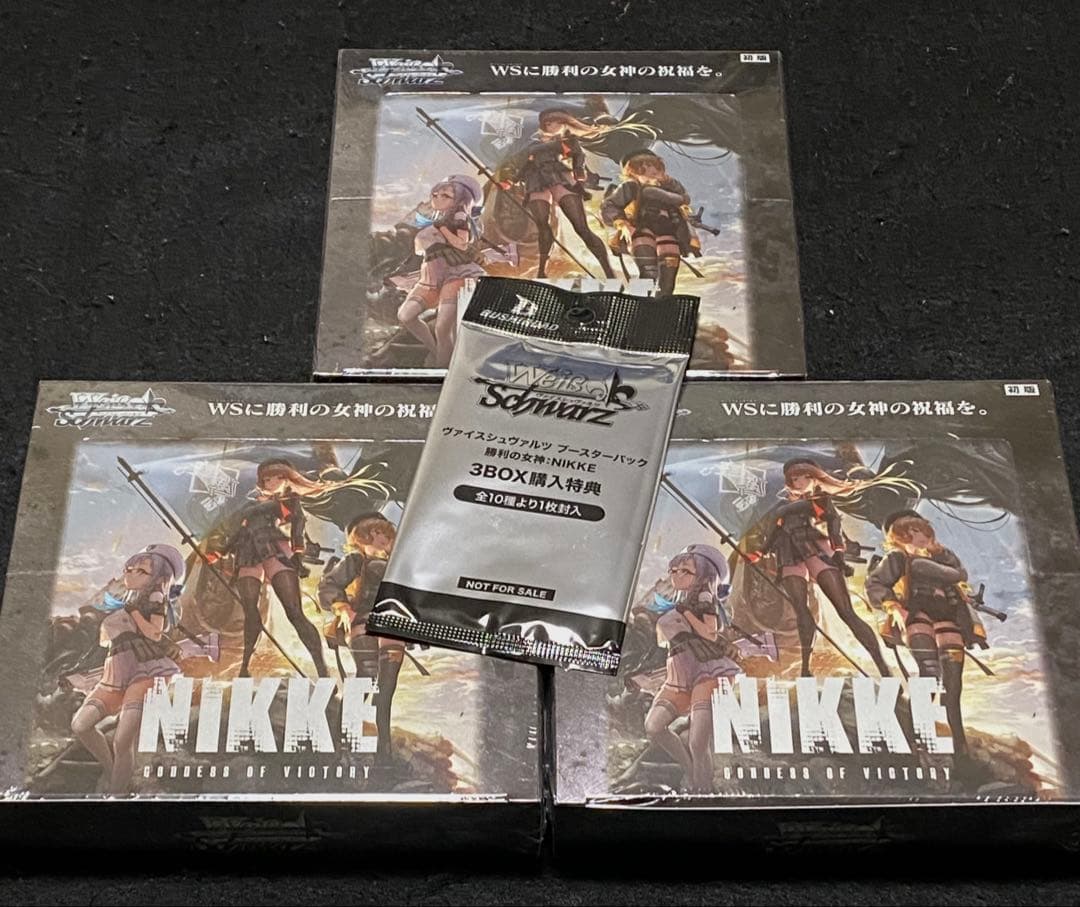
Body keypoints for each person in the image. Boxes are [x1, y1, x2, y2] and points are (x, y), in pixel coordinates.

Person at [752, 458, 905, 677]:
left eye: (805, 477)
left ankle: (883, 667)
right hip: (788, 553)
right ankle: (806, 668)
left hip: (816, 548)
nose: (800, 482)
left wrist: (840, 552)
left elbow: (834, 525)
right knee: (801, 610)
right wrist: (760, 551)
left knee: (846, 612)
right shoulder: (779, 505)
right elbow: (774, 532)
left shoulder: (820, 500)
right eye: (795, 478)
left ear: (815, 478)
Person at [865, 510, 987, 758]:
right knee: (929, 674)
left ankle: (960, 747)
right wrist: (893, 606)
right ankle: (912, 741)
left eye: (921, 530)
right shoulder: (897, 558)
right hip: (917, 614)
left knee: (953, 684)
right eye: (911, 531)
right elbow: (875, 583)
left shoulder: (943, 557)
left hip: (948, 616)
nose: (919, 535)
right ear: (899, 535)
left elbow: (960, 577)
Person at [70, 544, 185, 794]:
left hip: (146, 669)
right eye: (129, 569)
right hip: (117, 669)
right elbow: (105, 641)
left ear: (159, 578)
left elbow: (155, 634)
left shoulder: (155, 598)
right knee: (80, 725)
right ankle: (114, 772)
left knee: (123, 740)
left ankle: (116, 793)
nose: (131, 574)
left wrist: (132, 612)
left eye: (141, 571)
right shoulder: (125, 598)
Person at [643, 544, 740, 793]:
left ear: (704, 574)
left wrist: (686, 613)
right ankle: (693, 775)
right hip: (679, 671)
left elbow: (710, 633)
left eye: (685, 570)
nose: (676, 575)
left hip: (707, 670)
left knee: (698, 742)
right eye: (674, 570)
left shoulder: (704, 597)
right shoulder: (680, 599)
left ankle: (702, 790)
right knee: (654, 727)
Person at [318, 512, 406, 761]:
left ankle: (383, 751)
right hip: (363, 623)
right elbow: (328, 585)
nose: (381, 537)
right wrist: (342, 607)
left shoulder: (399, 563)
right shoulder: (356, 560)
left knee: (386, 689)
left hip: (393, 625)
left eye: (384, 532)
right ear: (362, 536)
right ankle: (340, 743)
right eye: (374, 532)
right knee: (366, 679)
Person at [497, 109, 616, 279]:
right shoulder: (530, 144)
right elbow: (521, 165)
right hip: (535, 180)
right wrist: (510, 181)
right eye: (555, 122)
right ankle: (542, 270)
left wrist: (578, 169)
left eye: (560, 122)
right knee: (542, 225)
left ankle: (608, 270)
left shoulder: (565, 141)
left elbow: (578, 154)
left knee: (581, 227)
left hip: (558, 176)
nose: (558, 126)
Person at [395, 175, 486, 367]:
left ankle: (443, 368)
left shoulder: (459, 217)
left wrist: (442, 229)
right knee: (405, 315)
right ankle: (437, 352)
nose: (437, 198)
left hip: (455, 273)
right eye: (435, 194)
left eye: (445, 196)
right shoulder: (434, 217)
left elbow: (462, 244)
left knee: (443, 328)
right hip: (431, 274)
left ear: (460, 199)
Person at [601, 150, 700, 295]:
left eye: (654, 166)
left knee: (668, 281)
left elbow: (683, 204)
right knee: (648, 273)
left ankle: (659, 307)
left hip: (668, 232)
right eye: (643, 168)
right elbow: (609, 205)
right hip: (642, 230)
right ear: (633, 172)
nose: (651, 170)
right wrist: (622, 223)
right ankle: (636, 304)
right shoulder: (631, 187)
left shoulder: (670, 189)